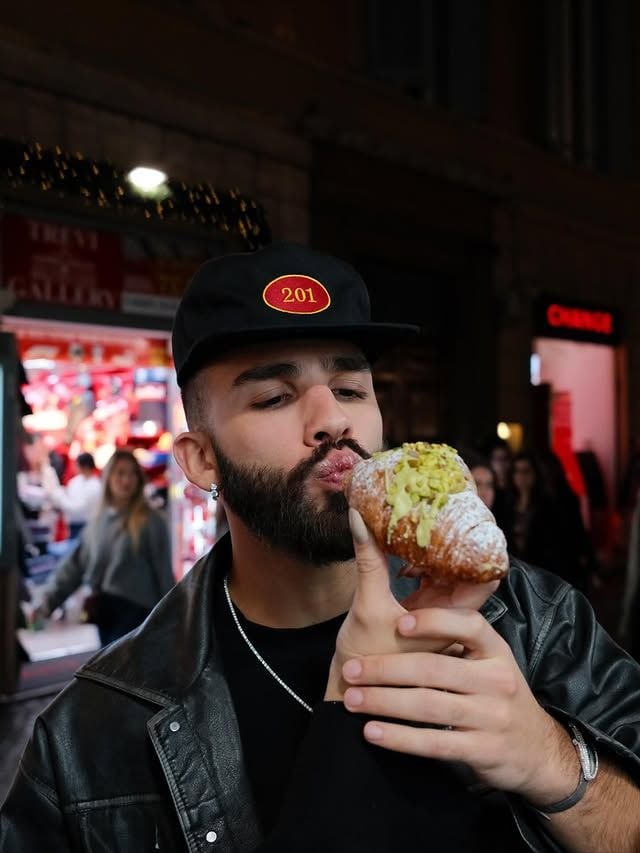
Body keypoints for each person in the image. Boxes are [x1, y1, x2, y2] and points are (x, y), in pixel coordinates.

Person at [2, 243, 640, 852]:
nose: (332, 419)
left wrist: (554, 761)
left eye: (352, 389)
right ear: (201, 460)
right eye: (274, 396)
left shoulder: (535, 616)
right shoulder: (90, 736)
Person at [30, 448, 175, 646]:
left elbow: (164, 573)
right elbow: (74, 566)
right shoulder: (99, 522)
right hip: (105, 614)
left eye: (132, 473)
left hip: (139, 615)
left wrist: (174, 620)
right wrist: (46, 602)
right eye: (120, 473)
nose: (126, 480)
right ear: (108, 478)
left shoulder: (151, 521)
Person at [48, 450, 102, 539]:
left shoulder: (95, 486)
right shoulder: (75, 481)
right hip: (72, 526)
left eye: (77, 465)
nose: (75, 467)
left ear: (85, 467)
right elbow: (68, 496)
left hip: (86, 527)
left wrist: (58, 495)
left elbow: (77, 508)